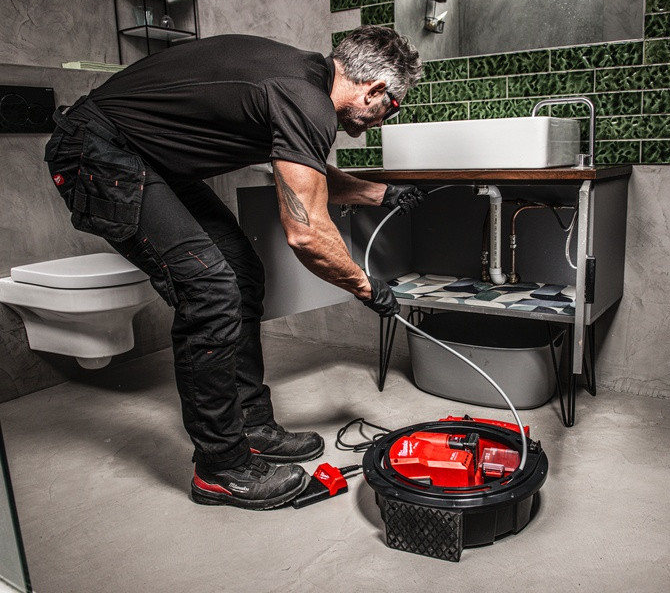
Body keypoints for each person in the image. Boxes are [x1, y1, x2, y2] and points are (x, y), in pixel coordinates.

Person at [43, 26, 425, 510]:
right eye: (392, 107)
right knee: (210, 288)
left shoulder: (303, 82)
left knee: (240, 272)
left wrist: (381, 193)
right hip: (99, 152)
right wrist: (365, 286)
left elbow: (304, 173)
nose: (385, 118)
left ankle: (250, 424)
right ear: (374, 89)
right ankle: (220, 467)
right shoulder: (303, 98)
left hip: (146, 159)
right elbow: (306, 232)